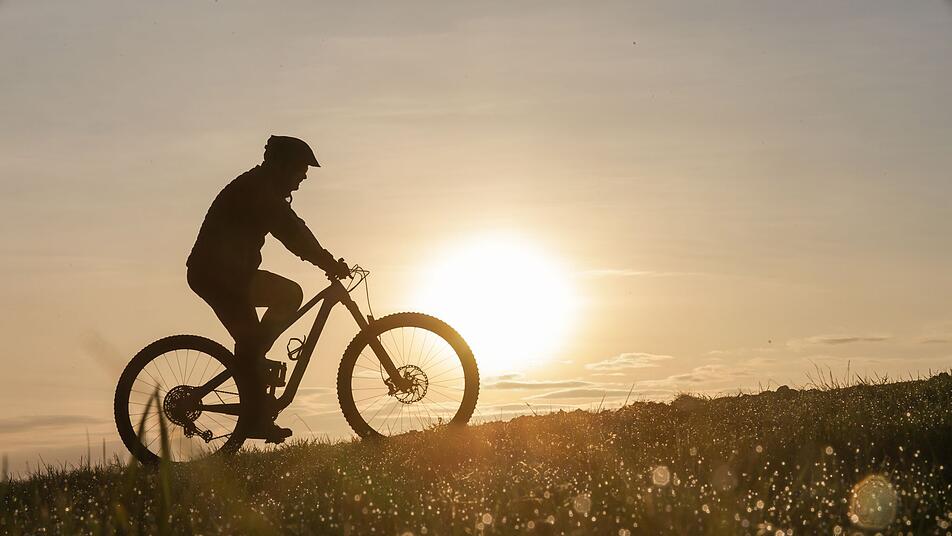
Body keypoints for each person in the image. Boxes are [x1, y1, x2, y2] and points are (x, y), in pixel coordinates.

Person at [186, 135, 348, 442]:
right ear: (282, 166)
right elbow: (292, 234)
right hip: (218, 275)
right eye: (300, 169)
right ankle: (254, 410)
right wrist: (327, 262)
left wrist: (326, 260)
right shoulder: (259, 191)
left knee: (273, 315)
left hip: (231, 275)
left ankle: (253, 375)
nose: (304, 177)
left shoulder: (264, 188)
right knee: (271, 316)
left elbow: (295, 226)